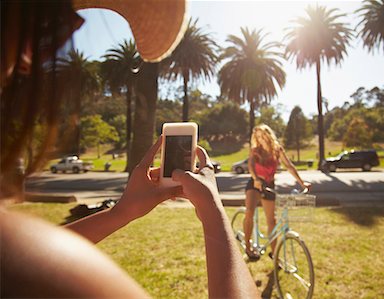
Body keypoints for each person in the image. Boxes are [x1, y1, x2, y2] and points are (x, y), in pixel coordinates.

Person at [1, 1, 259, 298]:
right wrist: (213, 211)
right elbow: (34, 259)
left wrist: (123, 212)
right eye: (50, 27)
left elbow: (38, 255)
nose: (34, 56)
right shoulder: (19, 260)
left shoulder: (18, 257)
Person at [244, 124, 311, 260]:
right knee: (249, 211)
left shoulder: (277, 150)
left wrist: (302, 182)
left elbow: (289, 166)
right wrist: (256, 178)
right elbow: (250, 167)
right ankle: (248, 246)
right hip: (255, 183)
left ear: (268, 135)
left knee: (272, 221)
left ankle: (274, 254)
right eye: (257, 136)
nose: (260, 138)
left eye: (262, 135)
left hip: (269, 185)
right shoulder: (254, 150)